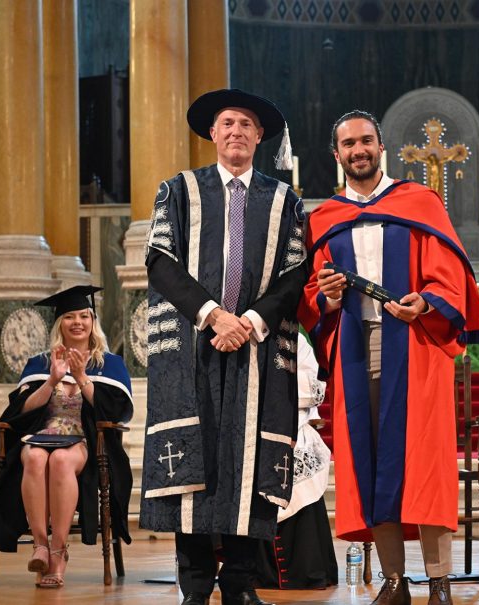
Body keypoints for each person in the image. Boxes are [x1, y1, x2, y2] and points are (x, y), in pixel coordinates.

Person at [298, 110, 479, 605]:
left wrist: (425, 301)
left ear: (381, 147)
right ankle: (394, 580)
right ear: (336, 154)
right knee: (368, 461)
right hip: (356, 351)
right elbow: (310, 295)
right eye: (348, 144)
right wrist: (330, 297)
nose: (357, 151)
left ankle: (440, 580)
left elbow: (447, 276)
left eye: (366, 141)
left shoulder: (419, 203)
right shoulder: (323, 218)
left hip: (417, 346)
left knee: (425, 463)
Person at [139, 89, 308, 605]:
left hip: (257, 347)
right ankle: (194, 585)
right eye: (227, 123)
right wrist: (213, 315)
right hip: (193, 346)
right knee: (195, 460)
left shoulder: (285, 201)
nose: (236, 132)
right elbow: (161, 261)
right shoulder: (178, 191)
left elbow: (295, 272)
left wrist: (250, 320)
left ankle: (238, 583)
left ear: (260, 137)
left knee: (248, 459)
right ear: (212, 133)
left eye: (246, 125)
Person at [0, 285, 134, 589]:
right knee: (34, 455)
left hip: (83, 441)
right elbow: (19, 410)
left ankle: (58, 551)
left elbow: (114, 412)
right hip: (42, 436)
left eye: (84, 316)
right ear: (60, 324)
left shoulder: (109, 364)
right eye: (69, 316)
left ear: (93, 322)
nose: (77, 322)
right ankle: (40, 545)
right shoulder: (40, 363)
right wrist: (53, 379)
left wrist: (81, 378)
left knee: (61, 461)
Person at [254, 332, 338, 590]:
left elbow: (315, 387)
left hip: (294, 429)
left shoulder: (292, 338)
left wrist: (272, 384)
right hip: (251, 432)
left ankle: (309, 570)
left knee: (302, 493)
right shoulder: (237, 336)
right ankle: (257, 573)